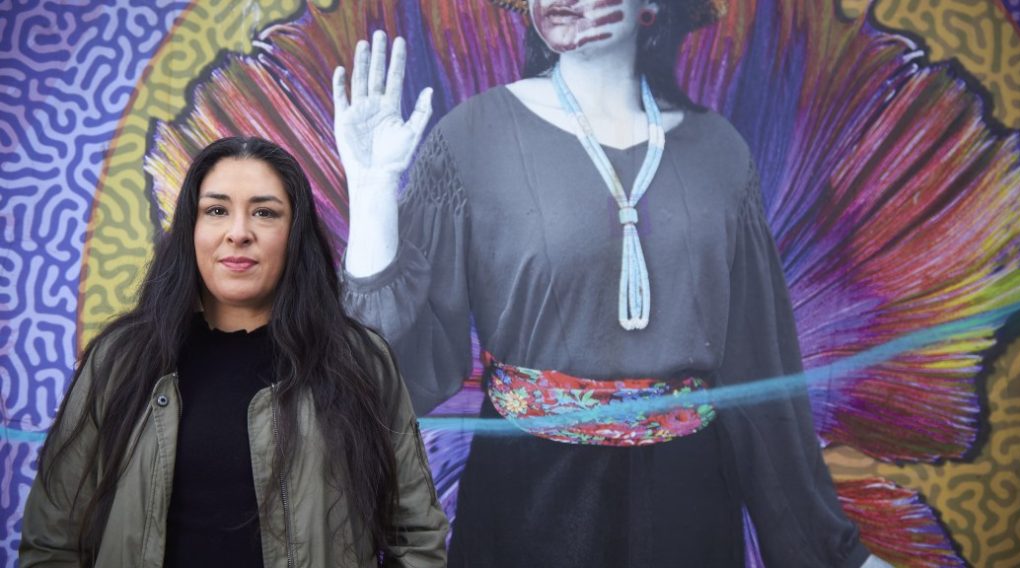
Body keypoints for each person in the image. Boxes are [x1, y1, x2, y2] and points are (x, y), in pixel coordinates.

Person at [335, 1, 889, 566]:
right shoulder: (472, 139)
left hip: (688, 501)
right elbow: (396, 369)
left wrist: (834, 554)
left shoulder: (721, 154)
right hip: (528, 499)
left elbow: (761, 376)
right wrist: (373, 193)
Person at [19, 137, 448, 567]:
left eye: (264, 212)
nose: (238, 232)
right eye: (216, 210)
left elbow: (415, 537)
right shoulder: (121, 361)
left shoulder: (359, 362)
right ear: (191, 227)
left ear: (294, 233)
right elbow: (53, 542)